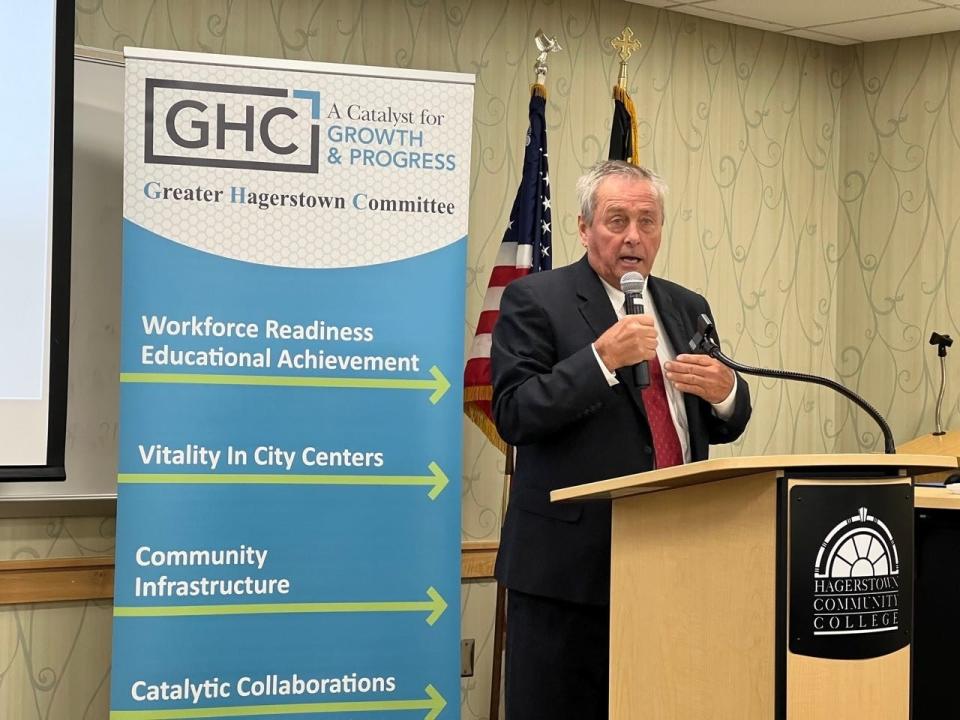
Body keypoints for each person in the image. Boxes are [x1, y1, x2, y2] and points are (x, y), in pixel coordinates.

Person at [490, 160, 752, 719]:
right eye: (617, 220)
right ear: (584, 228)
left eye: (648, 221)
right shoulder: (536, 300)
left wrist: (727, 390)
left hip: (675, 565)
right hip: (569, 577)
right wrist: (599, 361)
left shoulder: (687, 306)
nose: (634, 236)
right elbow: (513, 413)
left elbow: (725, 420)